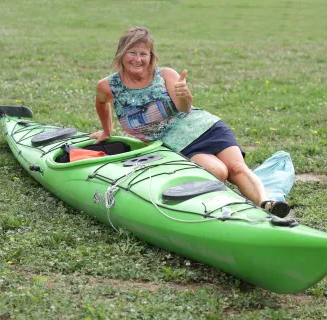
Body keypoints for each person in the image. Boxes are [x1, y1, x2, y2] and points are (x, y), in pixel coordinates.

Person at [89, 26, 290, 218]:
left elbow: (184, 109)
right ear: (121, 54)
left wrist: (184, 95)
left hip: (207, 127)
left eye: (144, 53)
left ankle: (267, 204)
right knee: (218, 172)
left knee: (237, 168)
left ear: (151, 56)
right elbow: (101, 103)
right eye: (132, 52)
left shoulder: (165, 75)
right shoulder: (109, 86)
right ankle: (237, 208)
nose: (138, 59)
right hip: (178, 144)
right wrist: (107, 131)